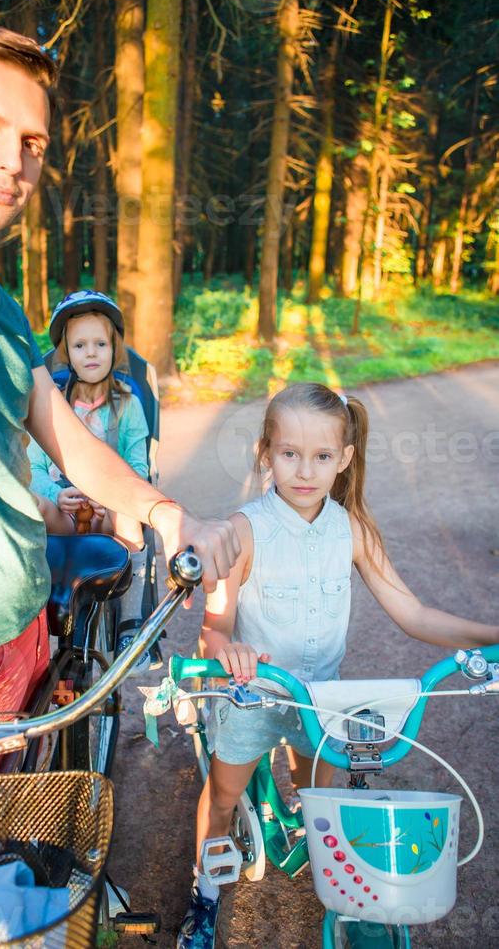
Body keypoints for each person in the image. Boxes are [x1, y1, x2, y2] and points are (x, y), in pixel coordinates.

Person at [0, 26, 239, 784]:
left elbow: (73, 443)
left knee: (22, 868)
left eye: (31, 140)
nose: (11, 160)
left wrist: (167, 515)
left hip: (29, 630)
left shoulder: (2, 310)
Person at [177, 382, 499, 949]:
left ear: (345, 458)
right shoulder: (244, 531)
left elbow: (414, 613)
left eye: (322, 456)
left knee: (320, 801)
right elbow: (215, 628)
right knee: (224, 797)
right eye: (289, 454)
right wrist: (229, 650)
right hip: (254, 696)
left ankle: (327, 878)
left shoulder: (350, 529)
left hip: (323, 701)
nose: (305, 470)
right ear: (266, 452)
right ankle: (203, 893)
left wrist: (492, 636)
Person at [28, 288, 158, 672]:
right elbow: (35, 469)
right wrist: (57, 492)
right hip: (65, 513)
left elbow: (138, 466)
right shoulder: (53, 403)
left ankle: (130, 625)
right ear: (66, 351)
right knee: (29, 504)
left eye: (100, 343)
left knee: (129, 518)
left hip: (105, 514)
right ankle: (24, 614)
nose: (90, 352)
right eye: (80, 344)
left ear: (114, 349)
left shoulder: (128, 405)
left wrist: (110, 495)